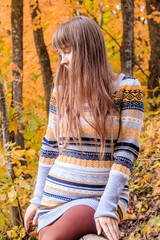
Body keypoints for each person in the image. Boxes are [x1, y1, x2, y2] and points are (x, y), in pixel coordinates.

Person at [24, 16, 144, 240]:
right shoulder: (61, 91)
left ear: (88, 50)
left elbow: (126, 152)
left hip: (97, 198)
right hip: (54, 198)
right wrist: (37, 200)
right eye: (60, 54)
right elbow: (50, 146)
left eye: (67, 52)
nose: (62, 61)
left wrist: (108, 206)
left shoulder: (127, 88)